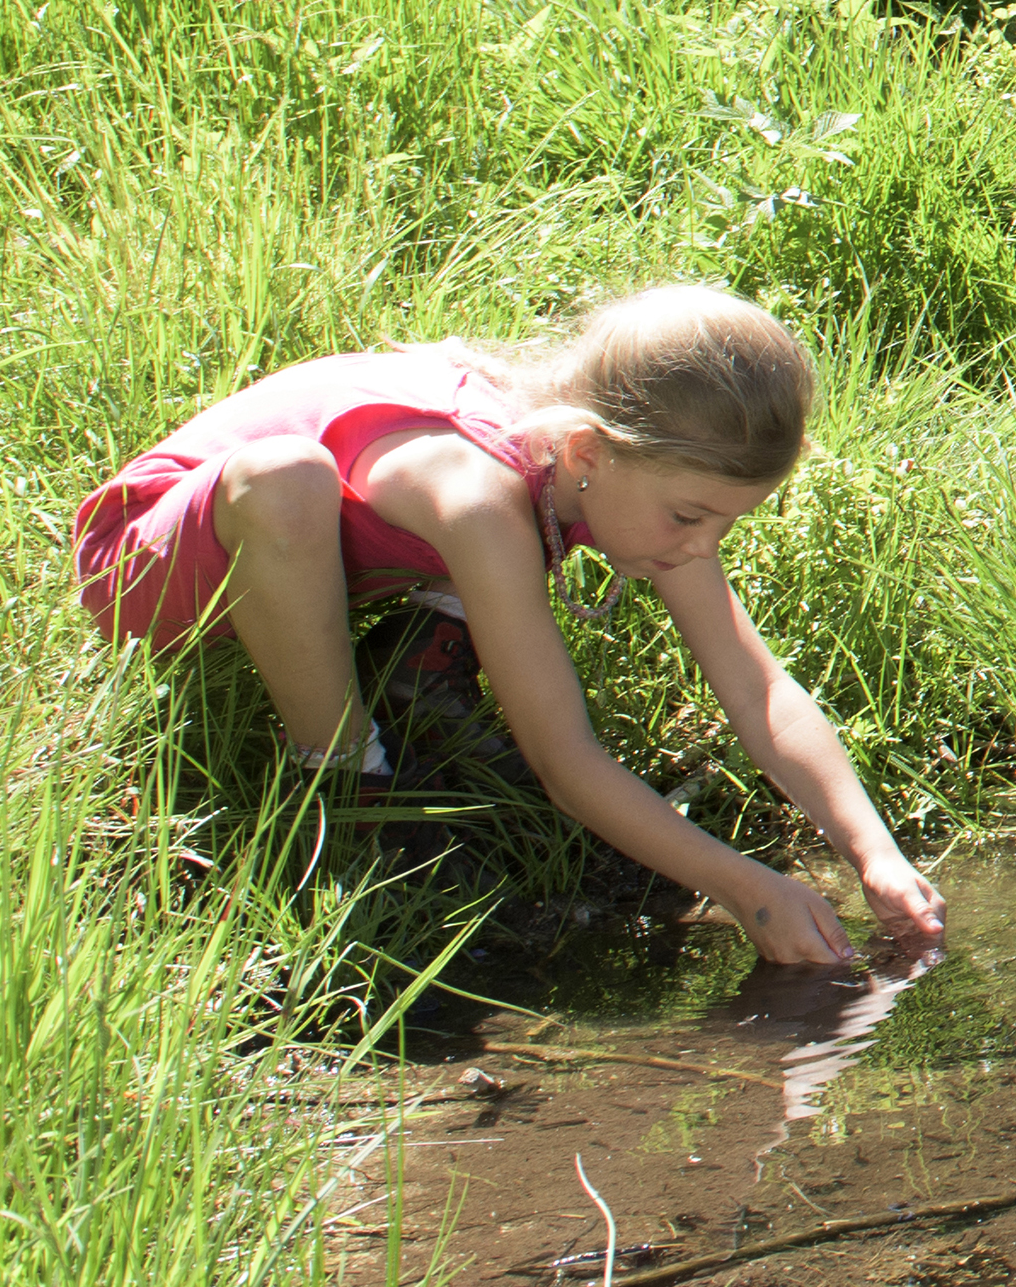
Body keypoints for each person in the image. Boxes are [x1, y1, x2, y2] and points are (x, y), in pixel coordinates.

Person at [72, 284, 942, 966]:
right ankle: (341, 781)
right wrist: (744, 886)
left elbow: (758, 690)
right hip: (154, 565)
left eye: (726, 524)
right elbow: (566, 763)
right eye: (689, 517)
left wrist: (875, 852)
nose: (701, 546)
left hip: (339, 556)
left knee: (506, 549)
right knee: (295, 477)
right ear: (590, 451)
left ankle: (414, 673)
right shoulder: (484, 496)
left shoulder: (618, 477)